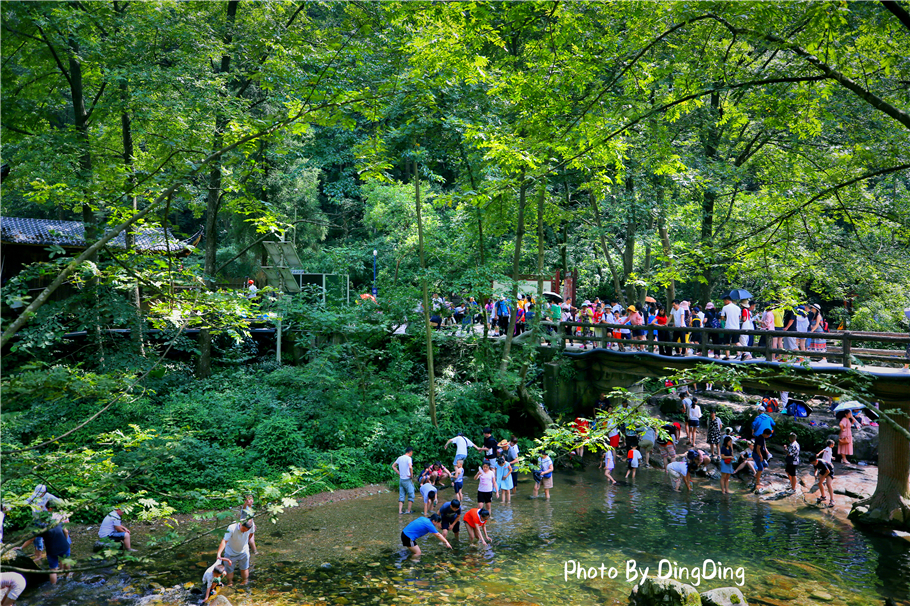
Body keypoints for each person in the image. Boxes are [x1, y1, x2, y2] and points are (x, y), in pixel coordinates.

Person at [216, 518, 255, 586]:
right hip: (230, 552)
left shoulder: (252, 525)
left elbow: (251, 534)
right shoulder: (232, 527)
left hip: (244, 551)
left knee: (244, 568)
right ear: (240, 524)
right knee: (229, 570)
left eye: (247, 530)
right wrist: (219, 554)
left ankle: (245, 581)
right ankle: (230, 582)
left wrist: (245, 542)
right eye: (243, 529)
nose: (245, 531)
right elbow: (224, 541)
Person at [24, 484, 57, 559]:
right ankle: (37, 553)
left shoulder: (49, 496)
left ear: (44, 492)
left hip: (44, 519)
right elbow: (26, 502)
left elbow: (59, 502)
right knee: (35, 537)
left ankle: (39, 556)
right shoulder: (34, 495)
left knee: (38, 536)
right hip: (35, 518)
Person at [392, 447, 415, 515]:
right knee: (411, 494)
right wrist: (411, 475)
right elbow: (410, 467)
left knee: (401, 495)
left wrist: (399, 473)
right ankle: (408, 511)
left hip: (401, 480)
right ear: (410, 452)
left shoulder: (400, 458)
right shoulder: (409, 458)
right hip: (407, 480)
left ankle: (400, 511)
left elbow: (393, 466)